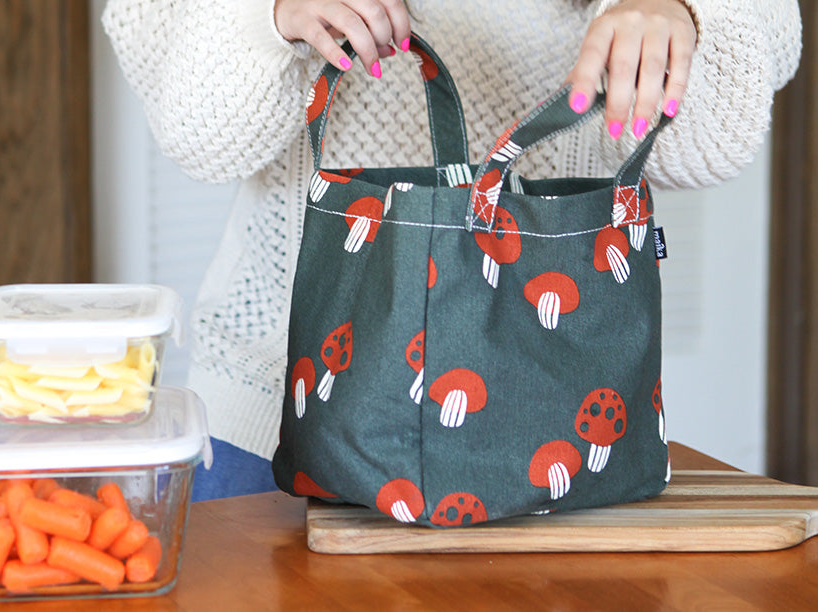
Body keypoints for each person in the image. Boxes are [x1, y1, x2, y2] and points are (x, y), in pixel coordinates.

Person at [102, 0, 801, 500]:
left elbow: (705, 151)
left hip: (546, 418)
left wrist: (682, 14)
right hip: (275, 422)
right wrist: (268, 17)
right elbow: (199, 135)